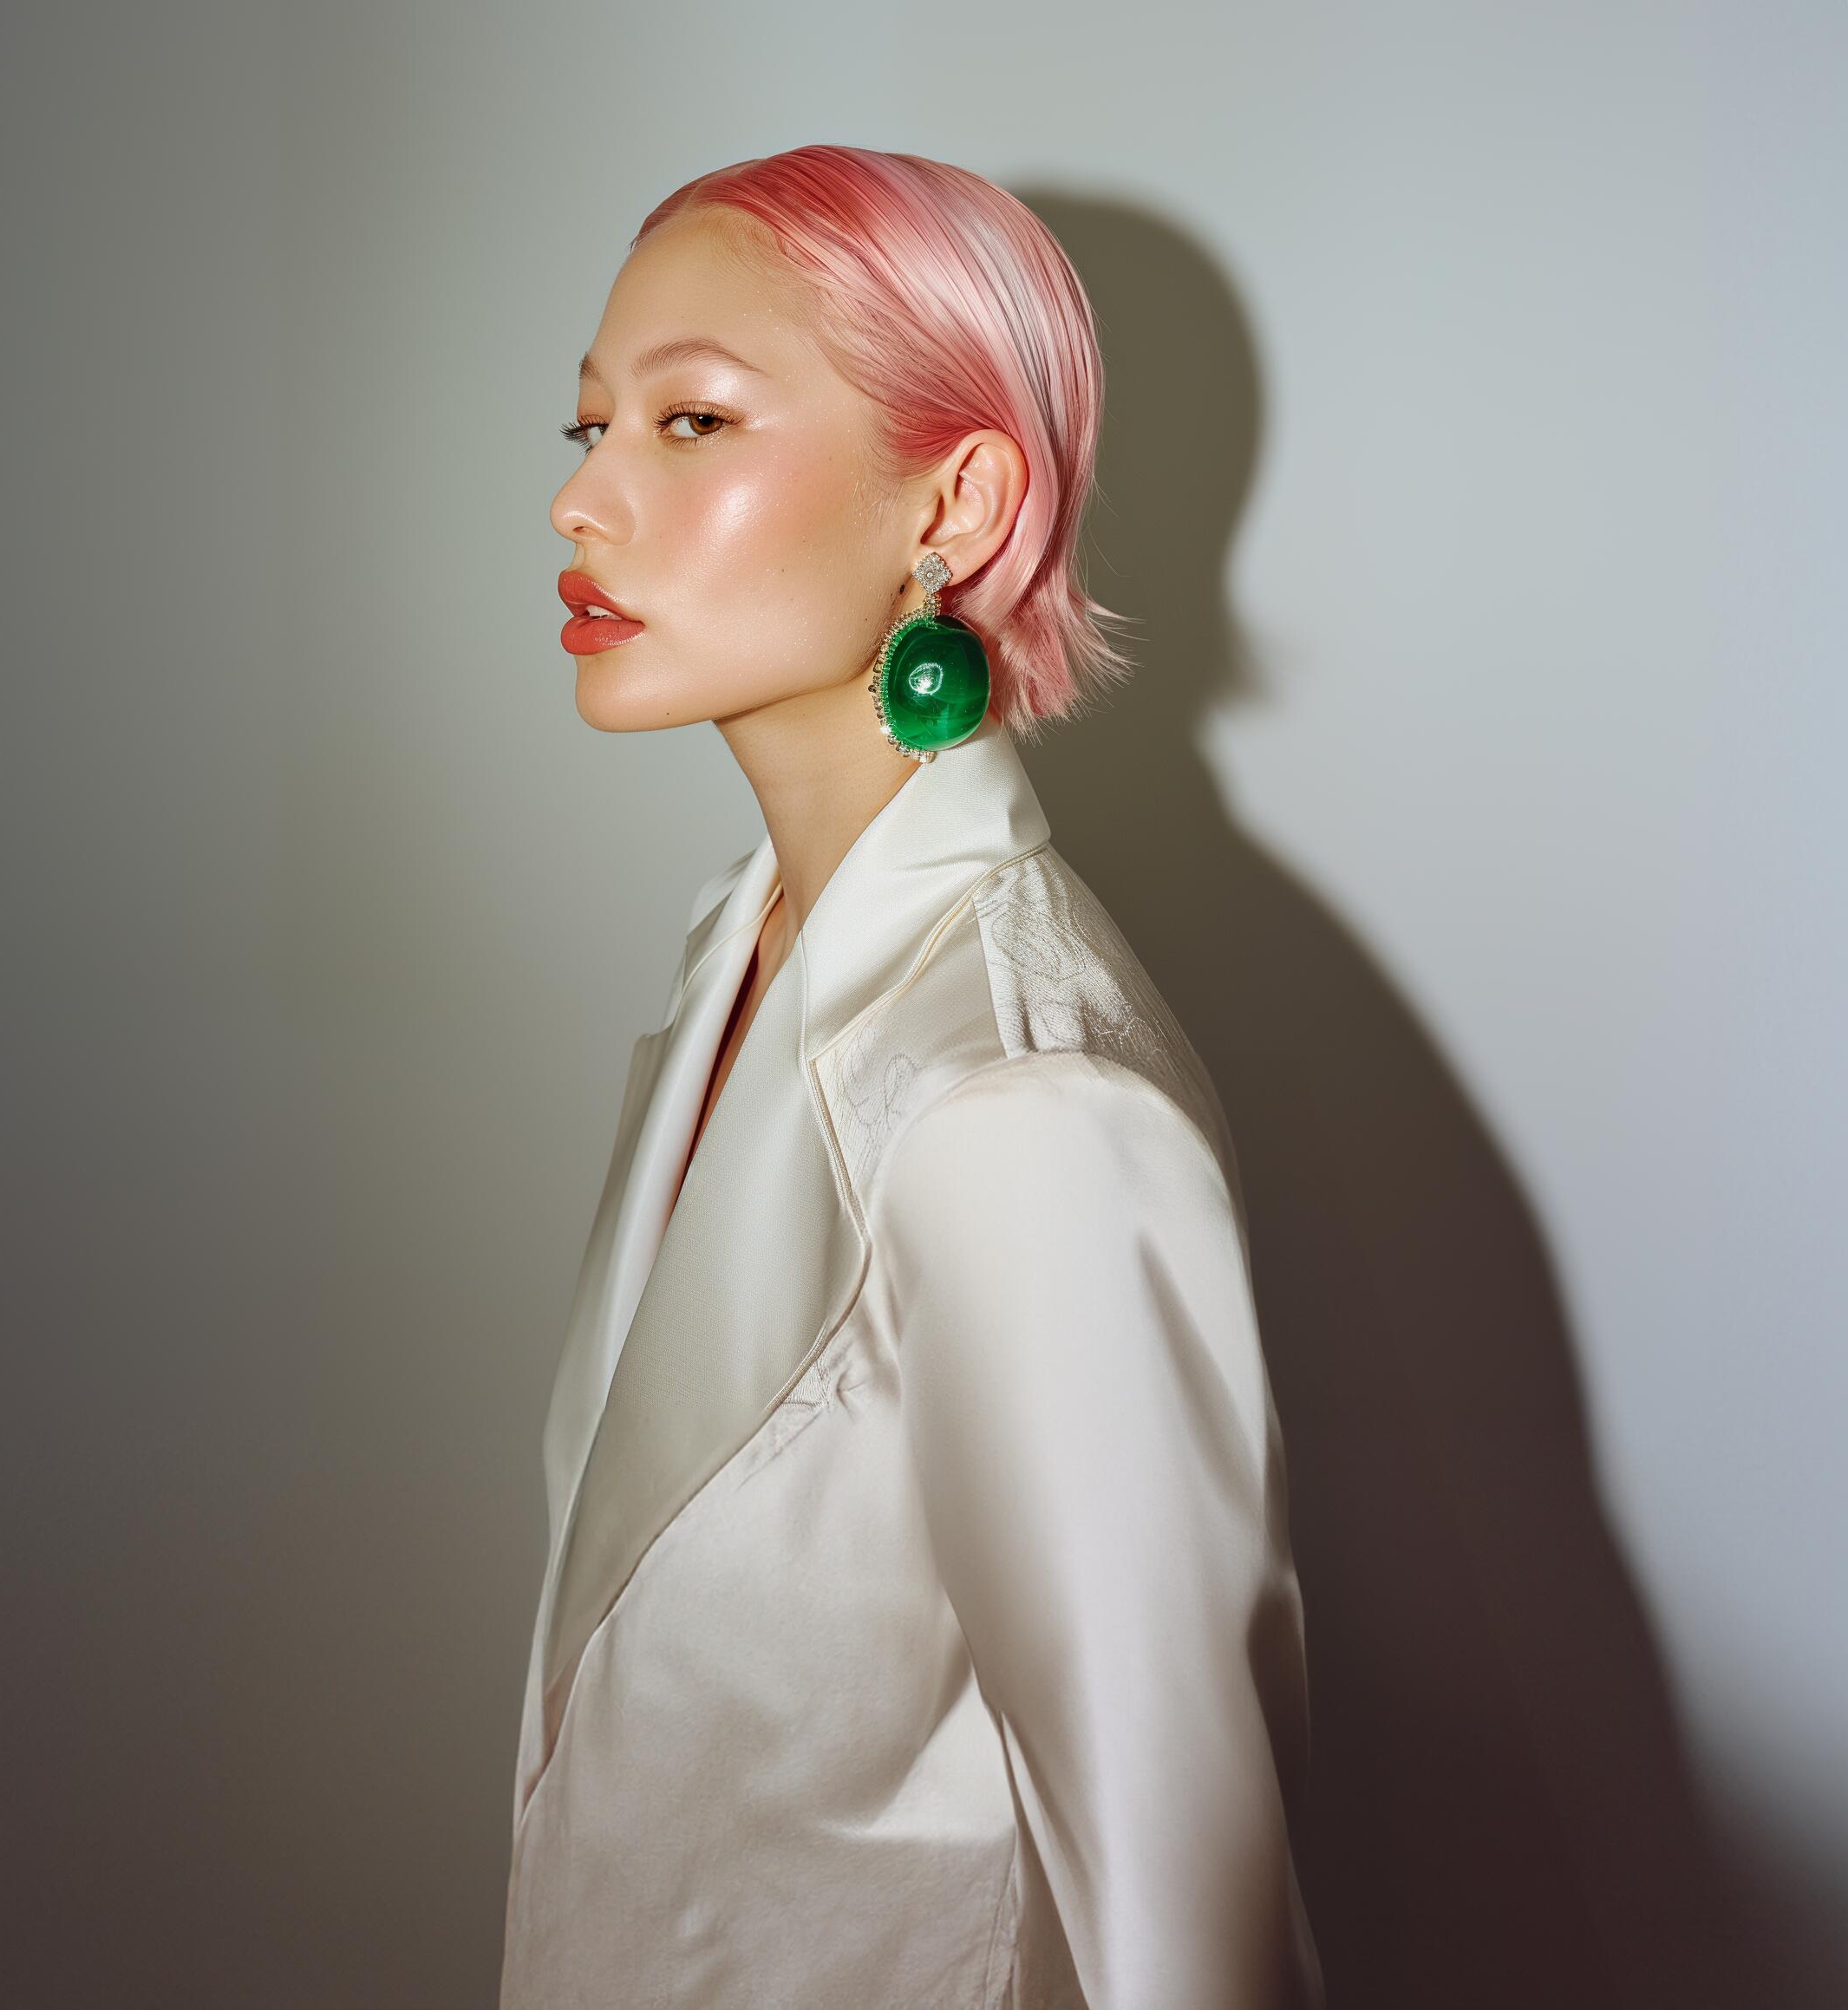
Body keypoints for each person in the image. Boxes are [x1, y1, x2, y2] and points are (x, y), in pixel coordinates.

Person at [502, 144, 1321, 2010]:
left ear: (956, 501)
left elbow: (1179, 1938)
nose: (578, 497)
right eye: (588, 424)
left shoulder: (1026, 1111)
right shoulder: (739, 952)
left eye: (692, 420)